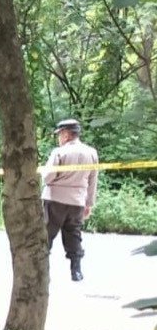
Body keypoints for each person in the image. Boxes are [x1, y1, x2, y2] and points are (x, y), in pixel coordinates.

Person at [42, 118, 98, 282]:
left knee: (46, 236)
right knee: (74, 234)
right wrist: (89, 203)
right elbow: (93, 180)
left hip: (54, 200)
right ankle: (76, 271)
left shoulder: (59, 152)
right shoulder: (92, 153)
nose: (59, 138)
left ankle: (44, 273)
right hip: (77, 202)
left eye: (59, 134)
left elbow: (47, 177)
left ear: (66, 134)